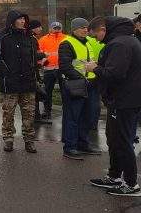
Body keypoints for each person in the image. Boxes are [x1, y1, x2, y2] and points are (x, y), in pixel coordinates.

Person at [86, 16, 141, 196]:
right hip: (120, 99)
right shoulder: (125, 41)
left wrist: (94, 68)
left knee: (123, 141)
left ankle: (131, 184)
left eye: (95, 35)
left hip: (124, 101)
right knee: (114, 138)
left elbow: (114, 74)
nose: (94, 39)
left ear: (103, 29)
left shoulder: (120, 44)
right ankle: (115, 176)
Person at [0, 10, 38, 153]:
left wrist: (35, 72)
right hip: (9, 83)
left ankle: (29, 140)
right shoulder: (1, 36)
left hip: (28, 83)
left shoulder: (29, 37)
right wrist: (6, 73)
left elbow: (33, 57)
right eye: (20, 19)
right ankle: (8, 139)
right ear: (12, 21)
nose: (23, 21)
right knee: (8, 114)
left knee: (29, 114)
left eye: (24, 19)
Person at [58, 18, 102, 159]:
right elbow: (65, 66)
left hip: (90, 85)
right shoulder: (67, 43)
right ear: (74, 29)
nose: (85, 30)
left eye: (86, 27)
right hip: (76, 85)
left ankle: (83, 144)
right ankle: (70, 147)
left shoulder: (88, 42)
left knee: (87, 116)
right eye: (82, 27)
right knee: (72, 117)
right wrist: (82, 79)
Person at [37, 21, 66, 121]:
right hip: (48, 69)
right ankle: (47, 110)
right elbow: (38, 53)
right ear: (50, 29)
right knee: (47, 92)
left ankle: (66, 110)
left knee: (65, 91)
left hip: (62, 69)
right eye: (55, 28)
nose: (57, 30)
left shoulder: (66, 38)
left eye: (59, 28)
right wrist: (41, 63)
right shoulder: (43, 40)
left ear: (61, 29)